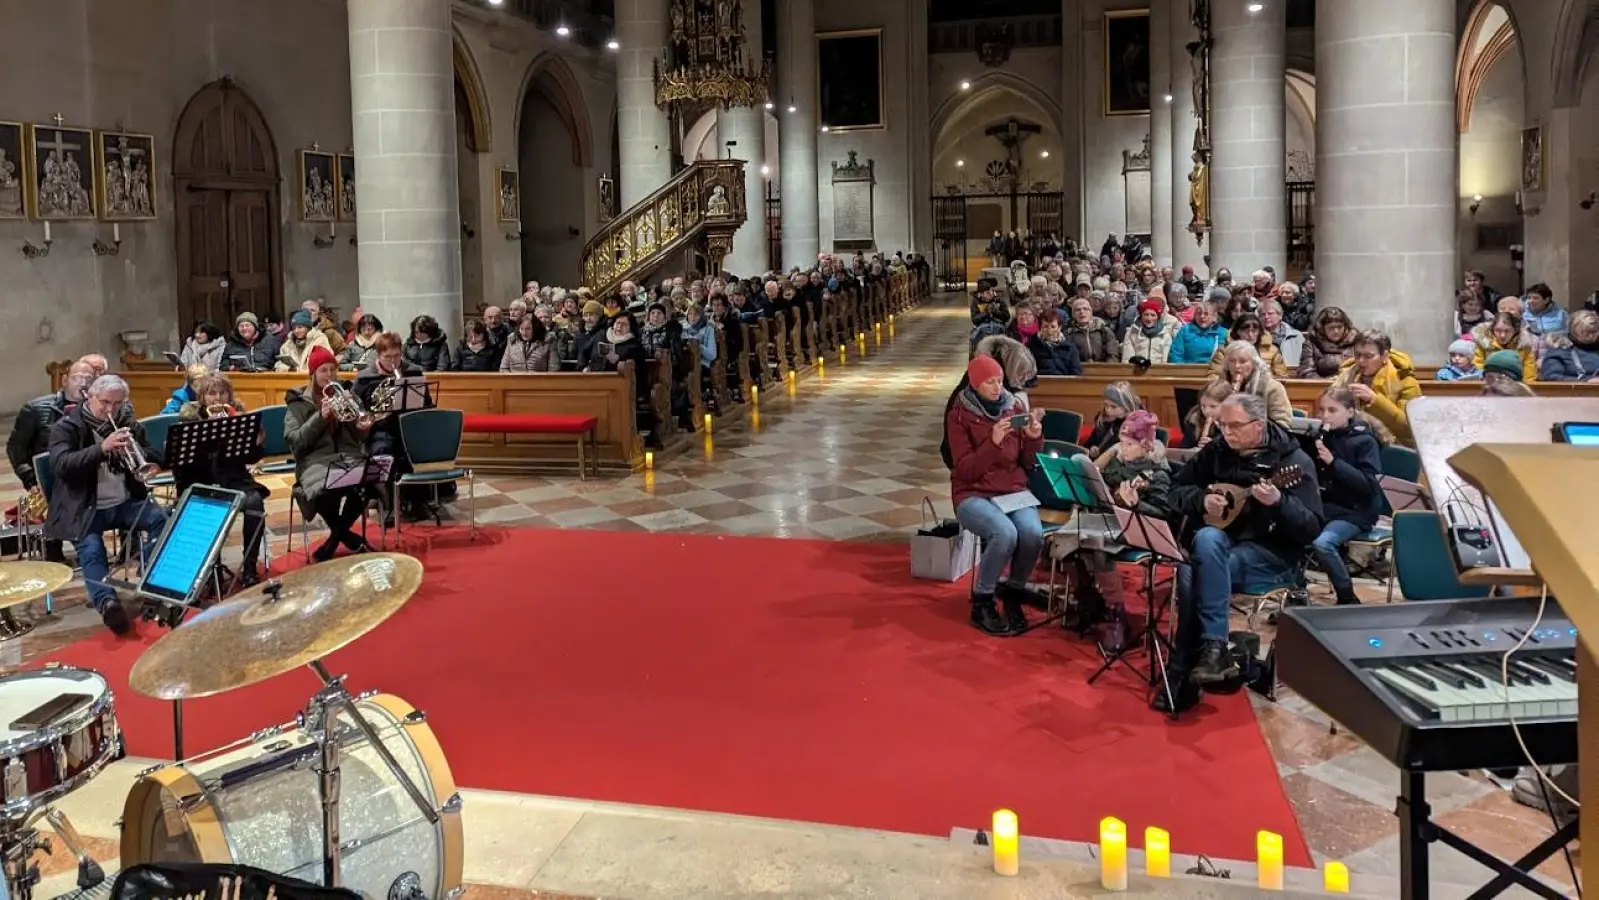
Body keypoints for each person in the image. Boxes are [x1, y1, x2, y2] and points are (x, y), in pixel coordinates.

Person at [1166, 393, 1322, 703]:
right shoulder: (1217, 451)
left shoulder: (1294, 461)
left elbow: (1311, 529)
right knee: (1207, 539)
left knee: (1191, 573)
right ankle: (1214, 652)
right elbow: (1176, 489)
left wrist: (1279, 503)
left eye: (1234, 426)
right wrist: (1201, 501)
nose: (1226, 433)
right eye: (1222, 425)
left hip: (1272, 556)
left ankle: (1184, 671)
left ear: (1259, 424)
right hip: (1223, 547)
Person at [44, 374, 170, 635]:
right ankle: (107, 603)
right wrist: (101, 449)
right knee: (91, 549)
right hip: (84, 507)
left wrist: (146, 458)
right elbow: (61, 465)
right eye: (105, 403)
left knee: (162, 520)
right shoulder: (67, 427)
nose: (111, 410)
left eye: (117, 403)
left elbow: (154, 453)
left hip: (124, 502)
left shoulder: (128, 425)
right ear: (90, 397)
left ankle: (152, 583)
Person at [945, 354, 1045, 637]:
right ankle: (983, 600)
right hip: (973, 492)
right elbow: (966, 471)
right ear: (975, 384)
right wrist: (992, 442)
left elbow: (1028, 462)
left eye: (1000, 380)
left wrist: (1034, 437)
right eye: (990, 382)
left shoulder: (1014, 407)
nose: (997, 387)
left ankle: (1013, 591)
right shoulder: (959, 415)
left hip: (1012, 489)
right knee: (1005, 533)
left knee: (1032, 534)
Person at [284, 345, 376, 561]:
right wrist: (320, 417)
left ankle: (334, 539)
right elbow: (295, 441)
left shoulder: (347, 394)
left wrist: (362, 428)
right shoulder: (298, 402)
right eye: (323, 370)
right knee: (325, 491)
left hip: (348, 457)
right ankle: (345, 536)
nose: (329, 375)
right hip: (315, 462)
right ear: (313, 374)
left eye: (333, 369)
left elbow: (360, 438)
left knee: (369, 483)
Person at [174, 375, 269, 585]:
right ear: (202, 397)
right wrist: (207, 432)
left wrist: (255, 442)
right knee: (208, 508)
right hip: (200, 479)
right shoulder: (191, 418)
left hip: (234, 479)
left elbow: (251, 459)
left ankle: (250, 566)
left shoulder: (237, 415)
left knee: (255, 502)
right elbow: (182, 463)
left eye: (222, 393)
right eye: (211, 393)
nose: (218, 398)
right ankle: (210, 571)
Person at [8, 361, 94, 563]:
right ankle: (59, 550)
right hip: (50, 480)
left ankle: (115, 548)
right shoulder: (35, 409)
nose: (83, 383)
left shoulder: (97, 408)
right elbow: (16, 448)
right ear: (65, 380)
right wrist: (30, 480)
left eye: (88, 379)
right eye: (77, 378)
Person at [1308, 387, 1385, 606]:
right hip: (1328, 506)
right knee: (1288, 528)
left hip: (1356, 510)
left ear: (1350, 412)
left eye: (1332, 410)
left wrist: (1334, 463)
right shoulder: (1322, 437)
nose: (1325, 416)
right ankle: (1296, 591)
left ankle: (1347, 596)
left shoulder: (1365, 441)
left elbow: (1369, 486)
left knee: (1323, 544)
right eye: (1321, 410)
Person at [1333, 330, 1422, 444]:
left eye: (1368, 356)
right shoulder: (1346, 376)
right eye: (1357, 355)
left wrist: (1375, 400)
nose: (1361, 361)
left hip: (1391, 446)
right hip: (1352, 442)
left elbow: (1409, 428)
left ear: (1384, 356)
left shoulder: (1405, 381)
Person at [1213, 341, 1293, 427]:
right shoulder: (1220, 387)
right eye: (1232, 361)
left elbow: (1283, 423)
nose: (1237, 366)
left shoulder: (1272, 388)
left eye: (1242, 361)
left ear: (1254, 363)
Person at [1470, 310, 1539, 383]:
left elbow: (1529, 372)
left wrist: (1525, 387)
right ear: (1492, 330)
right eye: (1498, 330)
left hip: (1516, 384)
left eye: (1507, 331)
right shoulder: (1483, 343)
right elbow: (1478, 366)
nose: (1503, 335)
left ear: (1515, 330)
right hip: (1489, 383)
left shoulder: (1524, 345)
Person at [1083, 382, 1142, 458]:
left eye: (1113, 407)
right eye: (1106, 405)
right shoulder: (1102, 419)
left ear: (1126, 406)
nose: (1108, 410)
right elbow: (1090, 442)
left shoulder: (1137, 423)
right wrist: (1091, 448)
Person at [1297, 307, 1357, 378]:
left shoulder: (1355, 341)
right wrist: (1327, 382)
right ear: (1322, 328)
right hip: (1321, 383)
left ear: (1345, 327)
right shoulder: (1312, 343)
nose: (1336, 331)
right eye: (1331, 327)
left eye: (1340, 327)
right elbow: (1306, 371)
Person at [1540, 310, 1599, 381]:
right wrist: (1586, 382)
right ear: (1575, 331)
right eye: (1589, 332)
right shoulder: (1560, 351)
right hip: (1577, 386)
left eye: (1596, 331)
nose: (1595, 335)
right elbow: (1551, 377)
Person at [1025, 309, 1083, 376]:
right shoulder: (1032, 345)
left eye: (1053, 327)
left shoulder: (1070, 347)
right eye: (1046, 327)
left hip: (1064, 381)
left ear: (1059, 327)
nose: (1049, 330)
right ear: (1040, 328)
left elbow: (1076, 371)